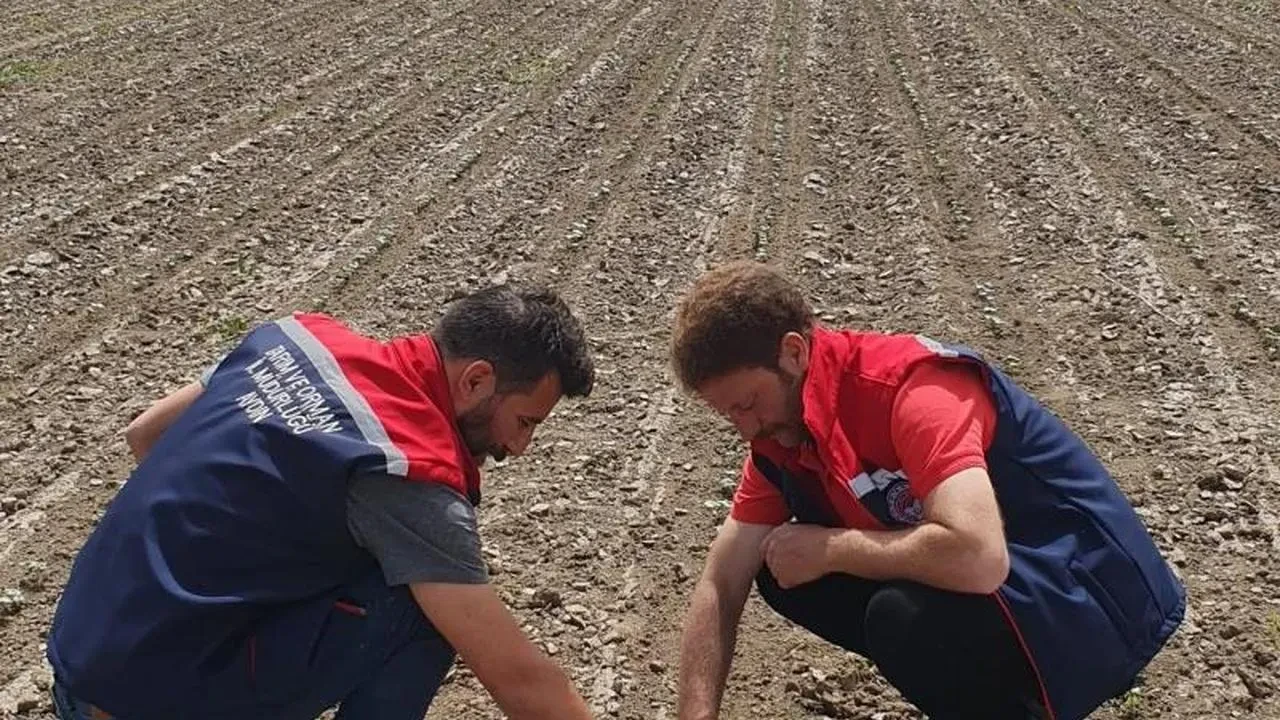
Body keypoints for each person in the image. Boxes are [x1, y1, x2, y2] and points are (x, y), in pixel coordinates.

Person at [47, 285, 599, 720]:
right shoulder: (405, 467)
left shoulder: (296, 340)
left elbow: (146, 434)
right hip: (148, 703)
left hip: (80, 664)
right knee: (422, 610)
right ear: (476, 381)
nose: (519, 447)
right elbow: (518, 680)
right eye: (524, 421)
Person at [670, 261, 1185, 720]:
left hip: (1094, 596)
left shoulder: (911, 390)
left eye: (748, 403)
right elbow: (722, 580)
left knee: (900, 618)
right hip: (1013, 589)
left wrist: (831, 549)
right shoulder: (785, 436)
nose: (745, 427)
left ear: (793, 352)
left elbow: (978, 557)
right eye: (728, 413)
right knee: (779, 567)